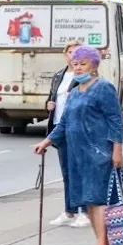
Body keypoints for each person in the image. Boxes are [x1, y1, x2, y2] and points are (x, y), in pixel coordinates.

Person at [33, 45, 123, 245]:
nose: (78, 68)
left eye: (83, 63)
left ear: (94, 65)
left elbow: (115, 120)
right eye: (75, 64)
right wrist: (47, 141)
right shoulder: (74, 92)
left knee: (98, 199)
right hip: (77, 154)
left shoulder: (103, 88)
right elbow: (64, 123)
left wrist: (117, 150)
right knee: (88, 202)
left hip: (98, 152)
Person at [46, 41, 89, 228]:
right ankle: (69, 209)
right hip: (59, 125)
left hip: (77, 128)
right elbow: (52, 96)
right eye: (70, 53)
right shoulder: (59, 76)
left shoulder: (85, 78)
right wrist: (49, 104)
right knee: (66, 171)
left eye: (77, 53)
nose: (73, 57)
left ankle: (85, 211)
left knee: (79, 170)